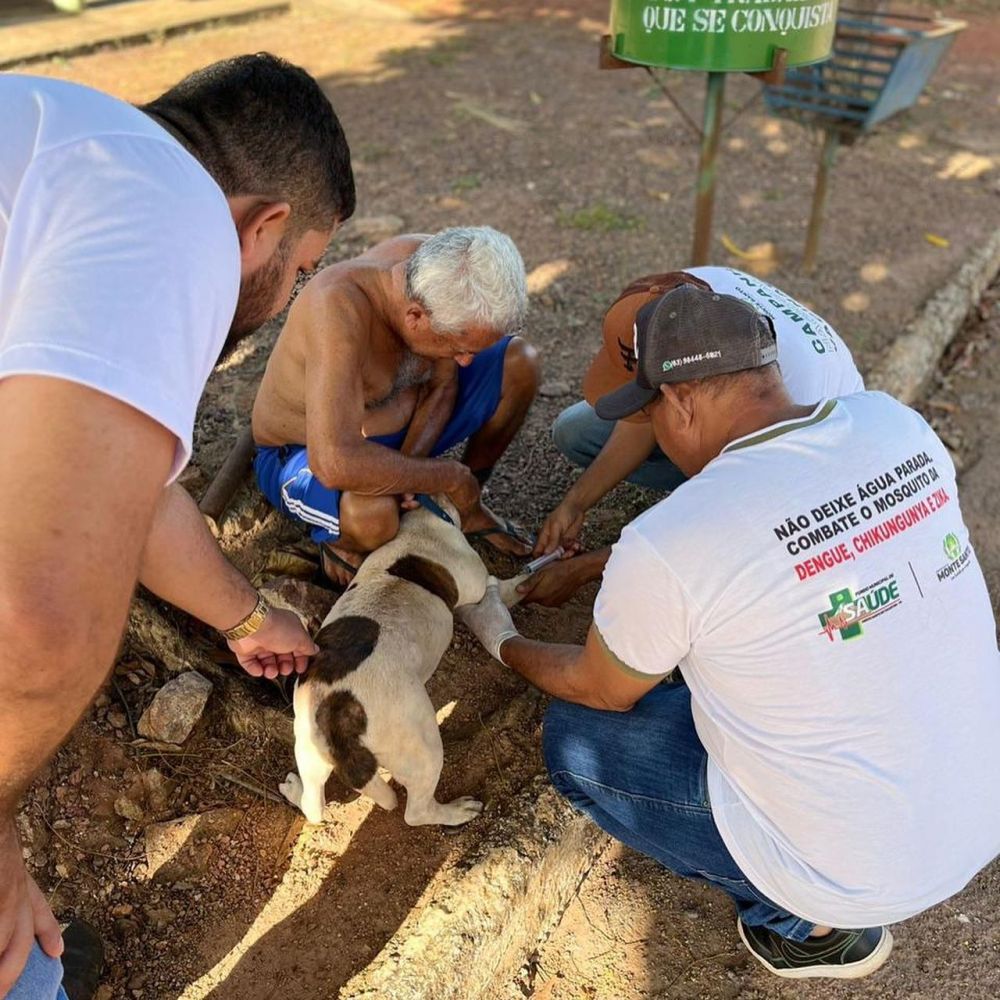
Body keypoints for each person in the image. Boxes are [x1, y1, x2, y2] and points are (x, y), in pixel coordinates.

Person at [457, 285, 1000, 979]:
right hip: (977, 811)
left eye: (651, 414)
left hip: (859, 875)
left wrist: (501, 637)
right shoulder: (896, 426)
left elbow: (601, 690)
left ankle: (805, 924)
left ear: (681, 402)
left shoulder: (674, 539)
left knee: (576, 738)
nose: (656, 432)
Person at [1, 54, 355, 999]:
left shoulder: (50, 135)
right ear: (264, 225)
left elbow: (126, 490)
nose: (284, 303)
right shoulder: (167, 212)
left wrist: (246, 618)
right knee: (20, 968)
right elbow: (35, 627)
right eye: (302, 271)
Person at [519, 266, 864, 606]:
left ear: (682, 399)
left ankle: (696, 484)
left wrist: (585, 569)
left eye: (656, 401)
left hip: (802, 479)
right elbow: (642, 414)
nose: (649, 410)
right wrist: (575, 504)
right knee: (577, 431)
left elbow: (721, 527)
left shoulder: (791, 402)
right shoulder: (688, 291)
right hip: (728, 414)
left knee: (721, 535)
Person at [252, 227, 539, 585]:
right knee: (372, 518)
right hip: (307, 452)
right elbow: (334, 462)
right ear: (415, 316)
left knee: (520, 364)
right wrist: (448, 477)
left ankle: (462, 508)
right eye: (459, 348)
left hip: (392, 429)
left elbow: (442, 386)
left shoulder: (435, 266)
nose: (467, 362)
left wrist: (414, 476)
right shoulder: (337, 309)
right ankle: (343, 540)